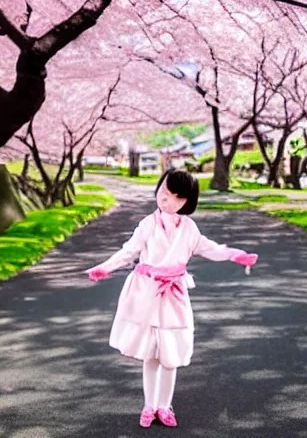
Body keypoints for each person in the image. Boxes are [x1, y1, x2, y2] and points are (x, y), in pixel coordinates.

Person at [85, 169, 258, 428]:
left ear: (187, 201)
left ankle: (165, 406)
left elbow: (210, 248)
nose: (168, 201)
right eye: (164, 193)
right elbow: (129, 251)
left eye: (177, 198)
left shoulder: (188, 228)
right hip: (147, 291)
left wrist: (235, 254)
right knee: (150, 354)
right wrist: (105, 267)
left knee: (170, 354)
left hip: (173, 293)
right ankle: (149, 405)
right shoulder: (148, 224)